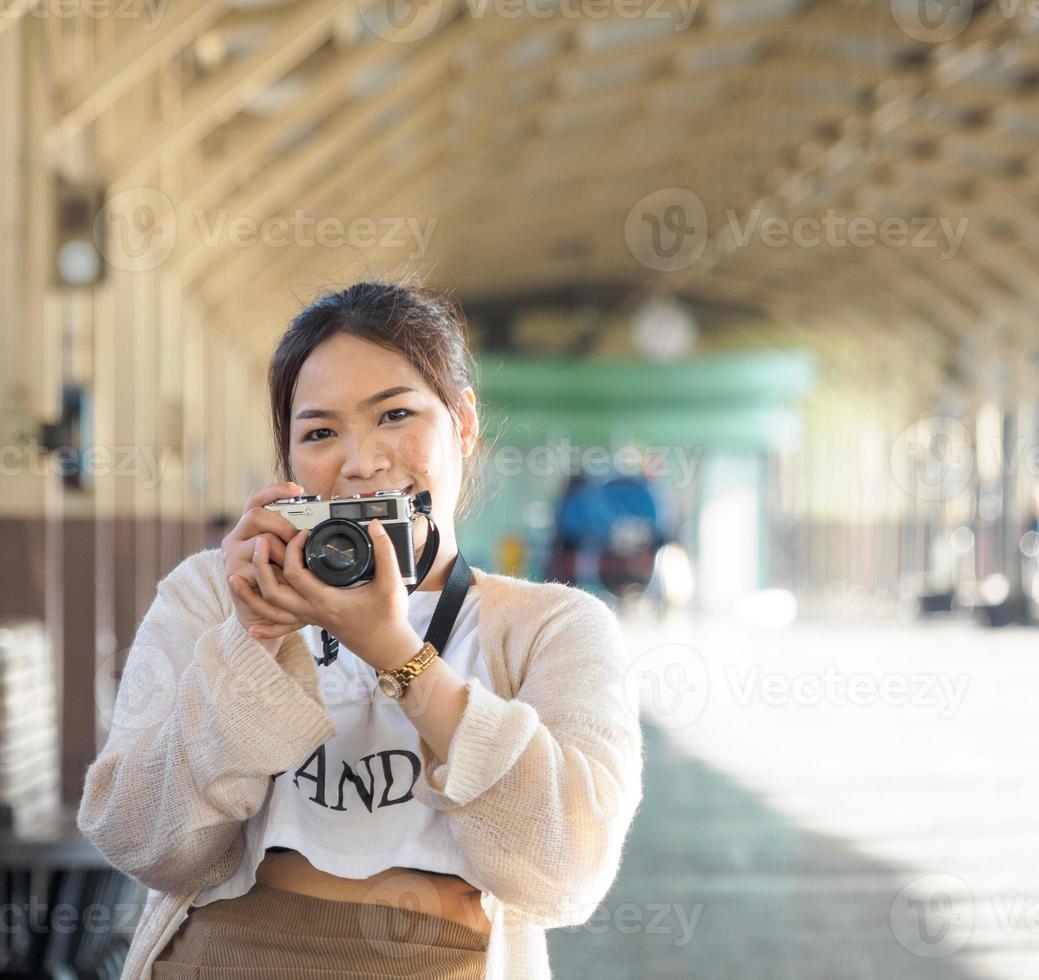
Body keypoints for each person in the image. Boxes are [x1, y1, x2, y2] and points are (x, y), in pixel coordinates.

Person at [75, 280, 645, 979]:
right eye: (320, 432)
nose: (361, 461)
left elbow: (566, 874)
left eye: (395, 415)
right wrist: (248, 640)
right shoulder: (212, 594)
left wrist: (397, 653)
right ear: (287, 461)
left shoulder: (556, 626)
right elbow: (140, 844)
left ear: (462, 424)